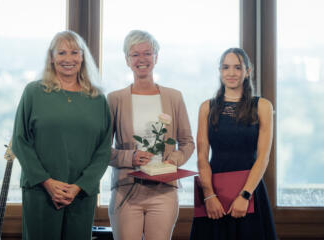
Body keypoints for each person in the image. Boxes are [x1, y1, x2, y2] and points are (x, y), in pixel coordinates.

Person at [11, 30, 111, 240]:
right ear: (51, 57)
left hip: (81, 194)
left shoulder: (98, 99)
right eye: (62, 53)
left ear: (82, 57)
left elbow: (103, 150)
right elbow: (20, 141)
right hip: (40, 192)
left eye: (74, 52)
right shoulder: (34, 92)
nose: (68, 59)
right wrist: (47, 182)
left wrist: (79, 187)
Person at [107, 30, 195, 240]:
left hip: (163, 191)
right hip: (126, 191)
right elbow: (102, 150)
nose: (142, 59)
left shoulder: (174, 97)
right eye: (135, 54)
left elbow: (187, 142)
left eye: (147, 53)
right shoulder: (115, 99)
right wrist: (131, 157)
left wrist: (175, 158)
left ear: (156, 57)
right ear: (127, 60)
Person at [190, 48, 277, 239]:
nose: (231, 73)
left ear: (248, 71)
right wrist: (209, 196)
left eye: (237, 67)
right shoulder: (207, 107)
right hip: (213, 192)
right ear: (220, 71)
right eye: (226, 67)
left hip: (250, 192)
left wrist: (245, 195)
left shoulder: (262, 106)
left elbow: (263, 157)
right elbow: (202, 157)